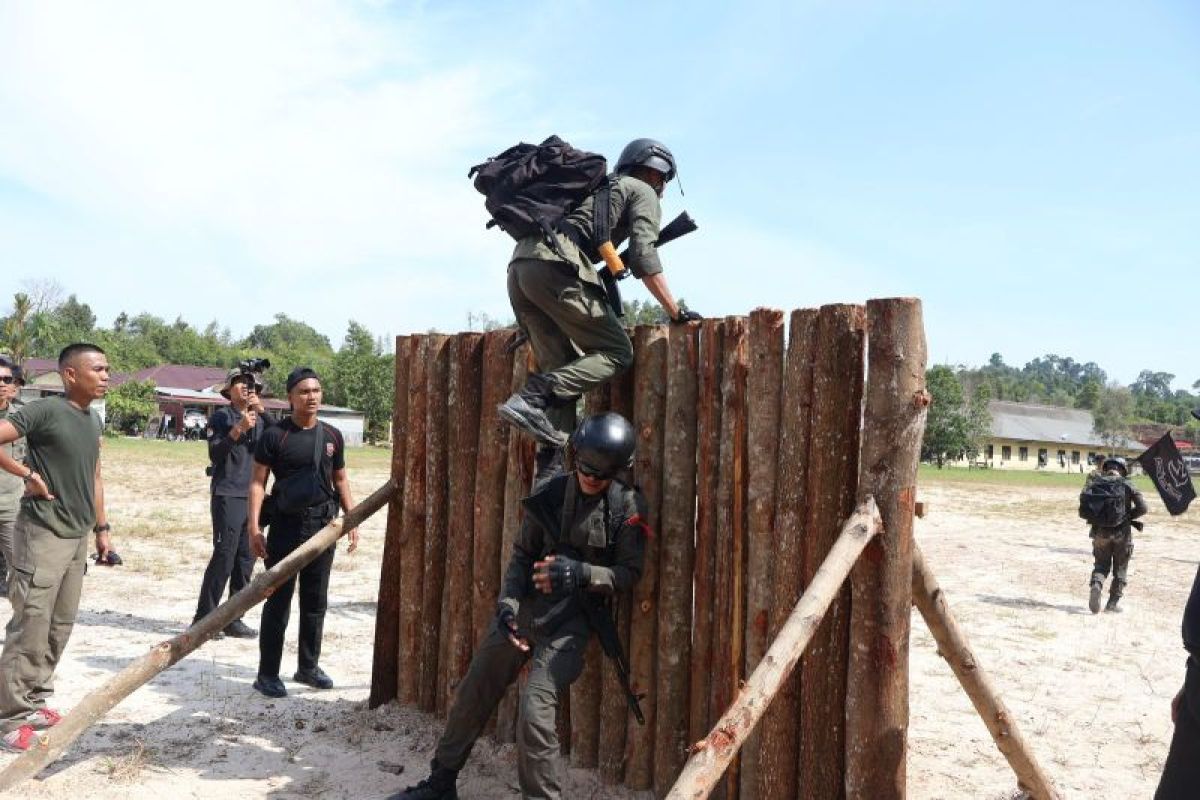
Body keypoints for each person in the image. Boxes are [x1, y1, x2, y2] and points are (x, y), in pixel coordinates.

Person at [390, 412, 648, 800]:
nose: (591, 479)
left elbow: (628, 573)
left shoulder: (626, 507)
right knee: (475, 688)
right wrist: (508, 606)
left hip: (572, 623)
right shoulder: (551, 492)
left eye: (601, 474)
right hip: (526, 610)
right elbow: (522, 554)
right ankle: (440, 781)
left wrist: (582, 573)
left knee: (535, 711)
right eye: (585, 469)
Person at [499, 138, 701, 458]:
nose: (661, 187)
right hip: (557, 266)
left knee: (562, 368)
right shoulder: (643, 190)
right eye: (663, 179)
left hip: (521, 267)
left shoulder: (600, 190)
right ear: (658, 173)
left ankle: (551, 464)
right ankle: (531, 397)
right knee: (617, 351)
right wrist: (674, 310)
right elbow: (642, 255)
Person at [0, 343, 113, 752]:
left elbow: (95, 476)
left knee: (59, 626)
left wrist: (102, 529)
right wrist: (28, 473)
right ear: (70, 374)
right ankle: (8, 717)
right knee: (30, 623)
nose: (106, 376)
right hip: (42, 533)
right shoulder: (45, 411)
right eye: (98, 369)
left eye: (107, 370)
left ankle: (33, 701)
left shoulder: (92, 421)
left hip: (76, 536)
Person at [246, 367, 358, 698]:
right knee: (278, 600)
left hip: (323, 527)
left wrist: (352, 520)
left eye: (316, 391)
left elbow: (340, 479)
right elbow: (257, 482)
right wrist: (254, 527)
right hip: (285, 527)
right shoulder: (275, 436)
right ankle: (267, 674)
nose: (312, 397)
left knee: (315, 601)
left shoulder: (332, 436)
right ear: (291, 397)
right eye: (304, 391)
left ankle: (308, 667)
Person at [192, 367, 271, 639]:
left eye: (252, 386)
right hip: (228, 493)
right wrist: (238, 429)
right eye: (240, 383)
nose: (247, 389)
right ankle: (205, 619)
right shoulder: (223, 416)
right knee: (224, 555)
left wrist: (262, 412)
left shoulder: (261, 420)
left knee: (246, 559)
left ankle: (234, 617)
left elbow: (281, 439)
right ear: (229, 389)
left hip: (255, 498)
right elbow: (215, 454)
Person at [1083, 456, 1147, 614]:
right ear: (1123, 469)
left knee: (1101, 565)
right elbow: (1143, 508)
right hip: (1122, 534)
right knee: (1120, 568)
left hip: (1100, 533)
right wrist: (1128, 516)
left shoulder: (1096, 483)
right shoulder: (1127, 484)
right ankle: (1111, 605)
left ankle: (1096, 585)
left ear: (1106, 468)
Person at [0, 357, 26, 599]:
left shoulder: (24, 418)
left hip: (10, 507)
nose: (1, 384)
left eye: (6, 379)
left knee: (20, 570)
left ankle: (21, 633)